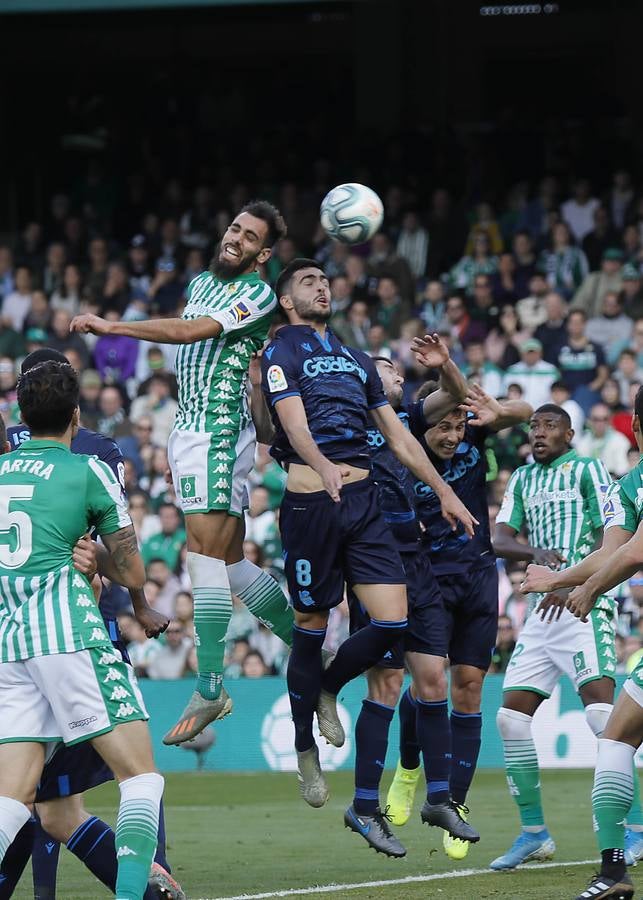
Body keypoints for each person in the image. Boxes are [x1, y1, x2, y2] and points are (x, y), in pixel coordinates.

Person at [71, 201, 296, 746]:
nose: (235, 237)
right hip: (189, 430)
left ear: (263, 254)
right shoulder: (202, 279)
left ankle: (212, 684)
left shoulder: (257, 293)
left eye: (249, 236)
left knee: (200, 554)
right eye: (234, 227)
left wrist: (113, 325)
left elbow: (191, 332)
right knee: (228, 560)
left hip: (218, 429)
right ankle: (309, 643)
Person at [260, 258, 476, 809]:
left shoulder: (358, 361)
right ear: (287, 300)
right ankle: (304, 745)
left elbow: (402, 441)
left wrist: (446, 491)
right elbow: (292, 422)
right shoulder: (281, 351)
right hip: (312, 501)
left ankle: (329, 687)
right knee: (310, 625)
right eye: (309, 282)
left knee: (392, 621)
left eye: (325, 281)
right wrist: (321, 464)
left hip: (361, 503)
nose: (322, 287)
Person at [3, 347, 181, 900]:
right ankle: (136, 893)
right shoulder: (89, 467)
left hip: (11, 644)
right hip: (73, 636)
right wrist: (98, 564)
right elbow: (129, 565)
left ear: (20, 415)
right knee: (143, 778)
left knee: (12, 802)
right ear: (77, 414)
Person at [385, 384, 532, 861]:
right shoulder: (403, 451)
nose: (451, 436)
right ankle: (409, 769)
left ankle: (454, 805)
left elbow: (528, 411)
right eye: (441, 427)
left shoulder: (477, 440)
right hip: (427, 582)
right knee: (429, 687)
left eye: (456, 426)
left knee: (470, 688)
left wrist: (486, 405)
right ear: (422, 426)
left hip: (477, 580)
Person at [345, 343, 477, 858]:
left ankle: (439, 798)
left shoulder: (404, 417)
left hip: (416, 561)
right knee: (387, 680)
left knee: (432, 677)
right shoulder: (347, 425)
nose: (395, 374)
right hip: (373, 562)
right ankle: (363, 802)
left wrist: (443, 363)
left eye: (398, 370)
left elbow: (456, 394)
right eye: (385, 369)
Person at [490, 404, 625, 871]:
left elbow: (614, 533)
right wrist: (536, 554)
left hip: (585, 604)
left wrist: (568, 579)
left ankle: (637, 827)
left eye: (549, 426)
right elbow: (499, 537)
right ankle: (534, 833)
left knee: (604, 717)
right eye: (534, 426)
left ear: (569, 432)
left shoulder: (588, 468)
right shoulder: (523, 480)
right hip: (540, 615)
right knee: (510, 720)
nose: (539, 433)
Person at [521, 386, 643, 894]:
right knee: (615, 734)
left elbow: (634, 552)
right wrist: (565, 579)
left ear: (632, 426)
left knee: (615, 738)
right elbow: (617, 550)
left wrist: (582, 585)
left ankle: (613, 871)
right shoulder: (633, 482)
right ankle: (613, 869)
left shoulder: (635, 481)